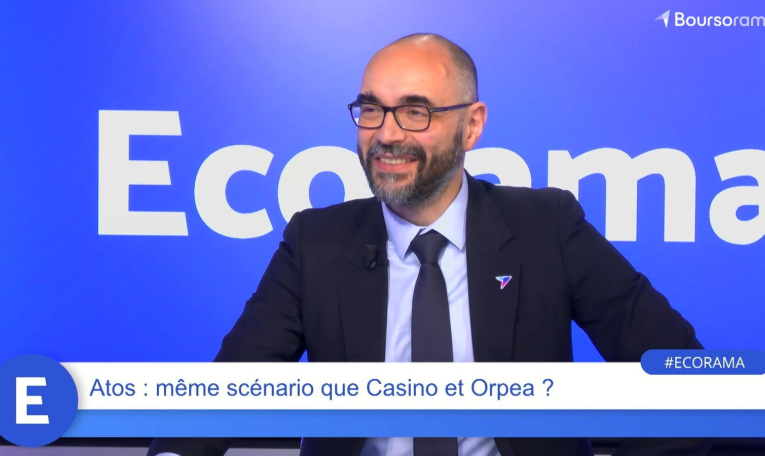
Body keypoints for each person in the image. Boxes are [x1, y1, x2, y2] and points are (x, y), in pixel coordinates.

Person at [149, 33, 709, 456]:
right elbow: (223, 395)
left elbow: (684, 375)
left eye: (416, 112)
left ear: (472, 126)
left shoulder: (547, 228)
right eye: (371, 109)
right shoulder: (315, 242)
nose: (387, 133)